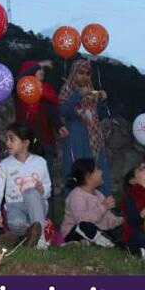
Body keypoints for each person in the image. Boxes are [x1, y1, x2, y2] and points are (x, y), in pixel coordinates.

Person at [0, 123, 51, 247]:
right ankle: (27, 236)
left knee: (30, 192)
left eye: (12, 139)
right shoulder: (4, 165)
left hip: (37, 205)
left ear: (25, 143)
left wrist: (42, 190)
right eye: (6, 139)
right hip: (14, 206)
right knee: (16, 223)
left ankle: (40, 240)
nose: (7, 143)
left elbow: (47, 189)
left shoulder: (40, 162)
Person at [59, 60, 113, 196]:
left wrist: (102, 101)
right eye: (80, 73)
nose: (84, 76)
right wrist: (79, 95)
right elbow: (63, 111)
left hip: (94, 138)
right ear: (74, 73)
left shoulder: (92, 92)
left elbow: (98, 115)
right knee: (76, 170)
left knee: (98, 169)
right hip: (76, 138)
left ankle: (102, 202)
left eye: (88, 74)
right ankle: (74, 202)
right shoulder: (67, 90)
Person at [60, 158, 121, 247]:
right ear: (88, 176)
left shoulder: (98, 194)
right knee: (85, 226)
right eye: (97, 169)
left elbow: (107, 217)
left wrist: (118, 221)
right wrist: (103, 207)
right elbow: (82, 220)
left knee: (118, 228)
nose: (101, 172)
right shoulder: (76, 195)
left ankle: (99, 241)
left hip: (97, 230)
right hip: (74, 233)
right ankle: (108, 242)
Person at [14, 60, 66, 159]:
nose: (42, 71)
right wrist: (39, 65)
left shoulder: (46, 89)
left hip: (45, 141)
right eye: (38, 69)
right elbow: (19, 79)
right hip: (26, 141)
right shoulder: (21, 90)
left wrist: (59, 126)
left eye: (42, 69)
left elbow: (51, 111)